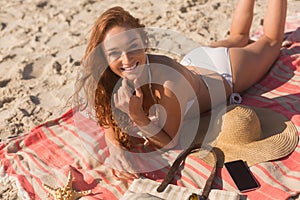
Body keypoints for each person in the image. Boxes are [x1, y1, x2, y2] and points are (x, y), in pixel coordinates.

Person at [74, 0, 287, 180]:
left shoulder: (168, 84)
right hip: (194, 59)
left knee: (271, 41)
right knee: (239, 37)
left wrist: (139, 117)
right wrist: (114, 146)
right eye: (114, 53)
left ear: (144, 42)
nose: (126, 59)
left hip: (225, 69)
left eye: (133, 47)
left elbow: (170, 142)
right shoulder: (110, 76)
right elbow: (105, 116)